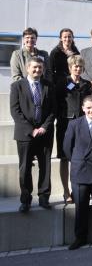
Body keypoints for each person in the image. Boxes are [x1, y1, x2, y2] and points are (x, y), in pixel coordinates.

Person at [63, 95, 92, 249]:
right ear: (83, 109)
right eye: (88, 108)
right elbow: (67, 148)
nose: (91, 110)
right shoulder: (74, 124)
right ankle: (80, 237)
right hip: (80, 172)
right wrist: (78, 161)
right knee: (81, 208)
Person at [10, 57, 55, 213]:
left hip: (44, 133)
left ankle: (44, 197)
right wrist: (31, 129)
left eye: (40, 68)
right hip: (25, 134)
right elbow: (15, 111)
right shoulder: (17, 86)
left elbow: (52, 110)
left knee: (45, 167)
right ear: (27, 68)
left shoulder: (49, 86)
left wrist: (43, 127)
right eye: (35, 67)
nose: (38, 70)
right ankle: (26, 199)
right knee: (25, 168)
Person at [55, 55, 92, 203]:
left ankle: (81, 190)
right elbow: (56, 101)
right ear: (70, 68)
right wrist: (61, 117)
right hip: (65, 124)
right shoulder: (63, 82)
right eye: (75, 66)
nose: (78, 69)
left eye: (80, 67)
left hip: (82, 124)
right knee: (65, 158)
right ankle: (66, 191)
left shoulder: (86, 84)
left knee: (83, 157)